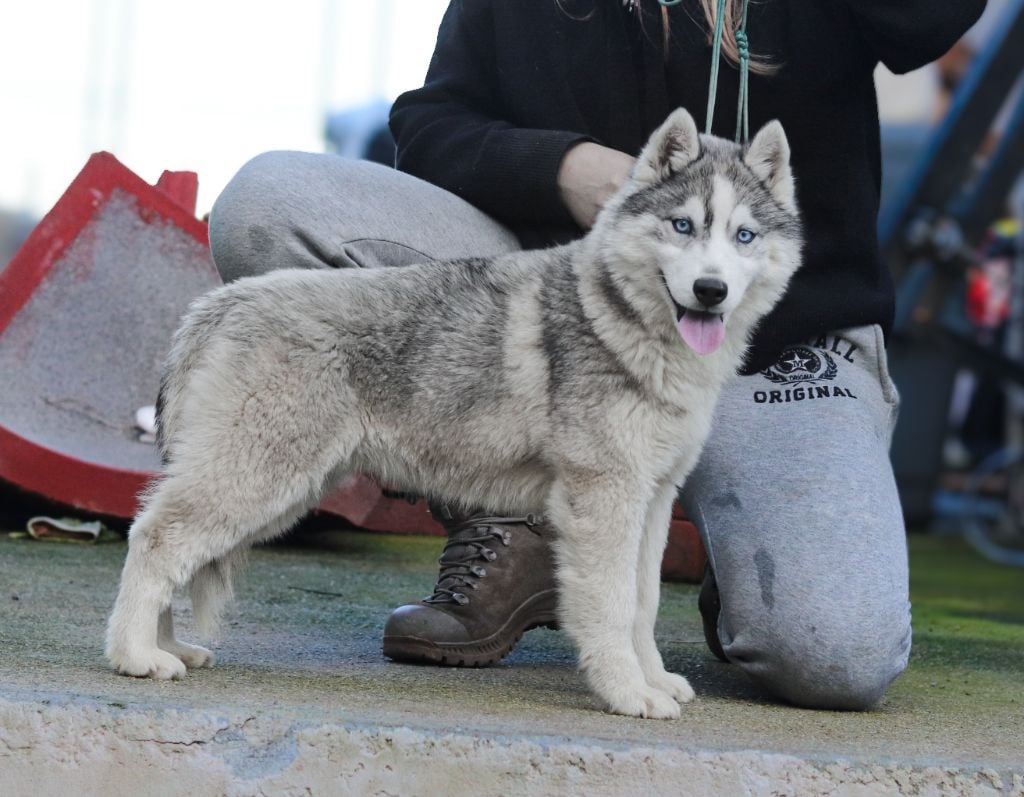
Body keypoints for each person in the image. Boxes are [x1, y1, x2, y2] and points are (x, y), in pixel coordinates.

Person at [208, 0, 985, 710]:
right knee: (271, 201)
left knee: (836, 653)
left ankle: (737, 549)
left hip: (775, 342)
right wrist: (565, 167)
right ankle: (524, 514)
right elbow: (431, 122)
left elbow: (929, 22)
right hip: (561, 304)